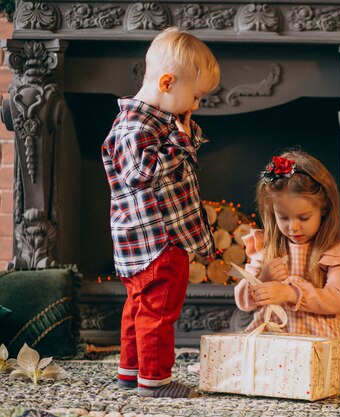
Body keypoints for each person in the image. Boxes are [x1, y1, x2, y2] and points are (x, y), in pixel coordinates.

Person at [101, 27, 220, 398]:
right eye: (196, 96)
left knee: (140, 307)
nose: (196, 105)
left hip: (151, 240)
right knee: (158, 312)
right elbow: (141, 174)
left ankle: (130, 370)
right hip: (156, 241)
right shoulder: (135, 126)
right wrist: (180, 140)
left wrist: (184, 133)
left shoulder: (156, 121)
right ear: (167, 82)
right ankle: (155, 380)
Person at [234, 150, 340, 388]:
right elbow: (243, 301)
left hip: (320, 337)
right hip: (276, 334)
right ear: (273, 213)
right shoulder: (266, 248)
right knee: (249, 366)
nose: (293, 227)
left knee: (333, 372)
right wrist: (261, 278)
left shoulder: (335, 251)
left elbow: (337, 300)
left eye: (303, 217)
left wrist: (291, 293)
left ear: (323, 209)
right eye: (283, 217)